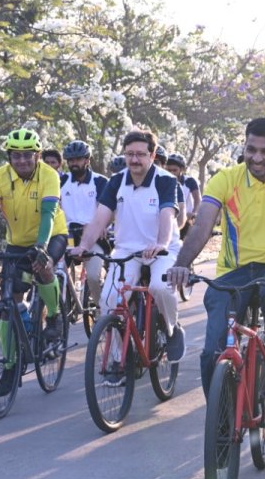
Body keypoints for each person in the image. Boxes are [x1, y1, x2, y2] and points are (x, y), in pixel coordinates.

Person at [166, 117, 265, 401]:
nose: (257, 158)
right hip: (234, 270)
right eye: (251, 149)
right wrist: (181, 265)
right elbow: (203, 226)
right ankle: (219, 415)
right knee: (212, 351)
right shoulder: (226, 179)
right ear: (244, 147)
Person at [0, 129, 69, 397]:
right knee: (9, 301)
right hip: (18, 241)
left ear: (38, 155)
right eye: (16, 156)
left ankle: (54, 315)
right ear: (9, 156)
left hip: (51, 234)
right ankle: (11, 365)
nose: (21, 160)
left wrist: (42, 247)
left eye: (27, 156)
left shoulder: (49, 175)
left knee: (44, 267)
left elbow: (48, 213)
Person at [72, 130, 185, 374]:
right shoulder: (117, 181)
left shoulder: (165, 180)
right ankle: (120, 359)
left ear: (152, 155)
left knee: (160, 287)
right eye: (130, 154)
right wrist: (84, 245)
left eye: (140, 155)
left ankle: (171, 329)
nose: (134, 160)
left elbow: (167, 214)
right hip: (127, 251)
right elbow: (100, 218)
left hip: (162, 251)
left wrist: (161, 243)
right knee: (109, 301)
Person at [59, 140, 109, 314]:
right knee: (53, 272)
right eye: (70, 160)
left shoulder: (100, 181)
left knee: (94, 276)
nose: (74, 163)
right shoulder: (61, 180)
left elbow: (108, 210)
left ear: (87, 160)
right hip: (66, 235)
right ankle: (58, 312)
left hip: (92, 235)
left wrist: (102, 224)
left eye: (78, 159)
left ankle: (101, 310)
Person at [165, 153, 202, 237]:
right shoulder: (163, 180)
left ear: (182, 169)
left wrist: (194, 213)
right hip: (168, 217)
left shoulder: (190, 181)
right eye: (169, 170)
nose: (171, 173)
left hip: (186, 218)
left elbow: (197, 199)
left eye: (175, 170)